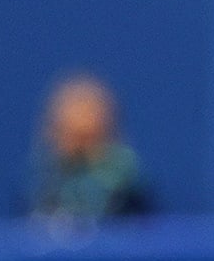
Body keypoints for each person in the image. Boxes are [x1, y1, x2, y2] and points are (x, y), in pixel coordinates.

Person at [28, 73, 149, 222]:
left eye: (92, 139)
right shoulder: (38, 200)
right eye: (74, 138)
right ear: (52, 135)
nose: (83, 153)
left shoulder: (136, 206)